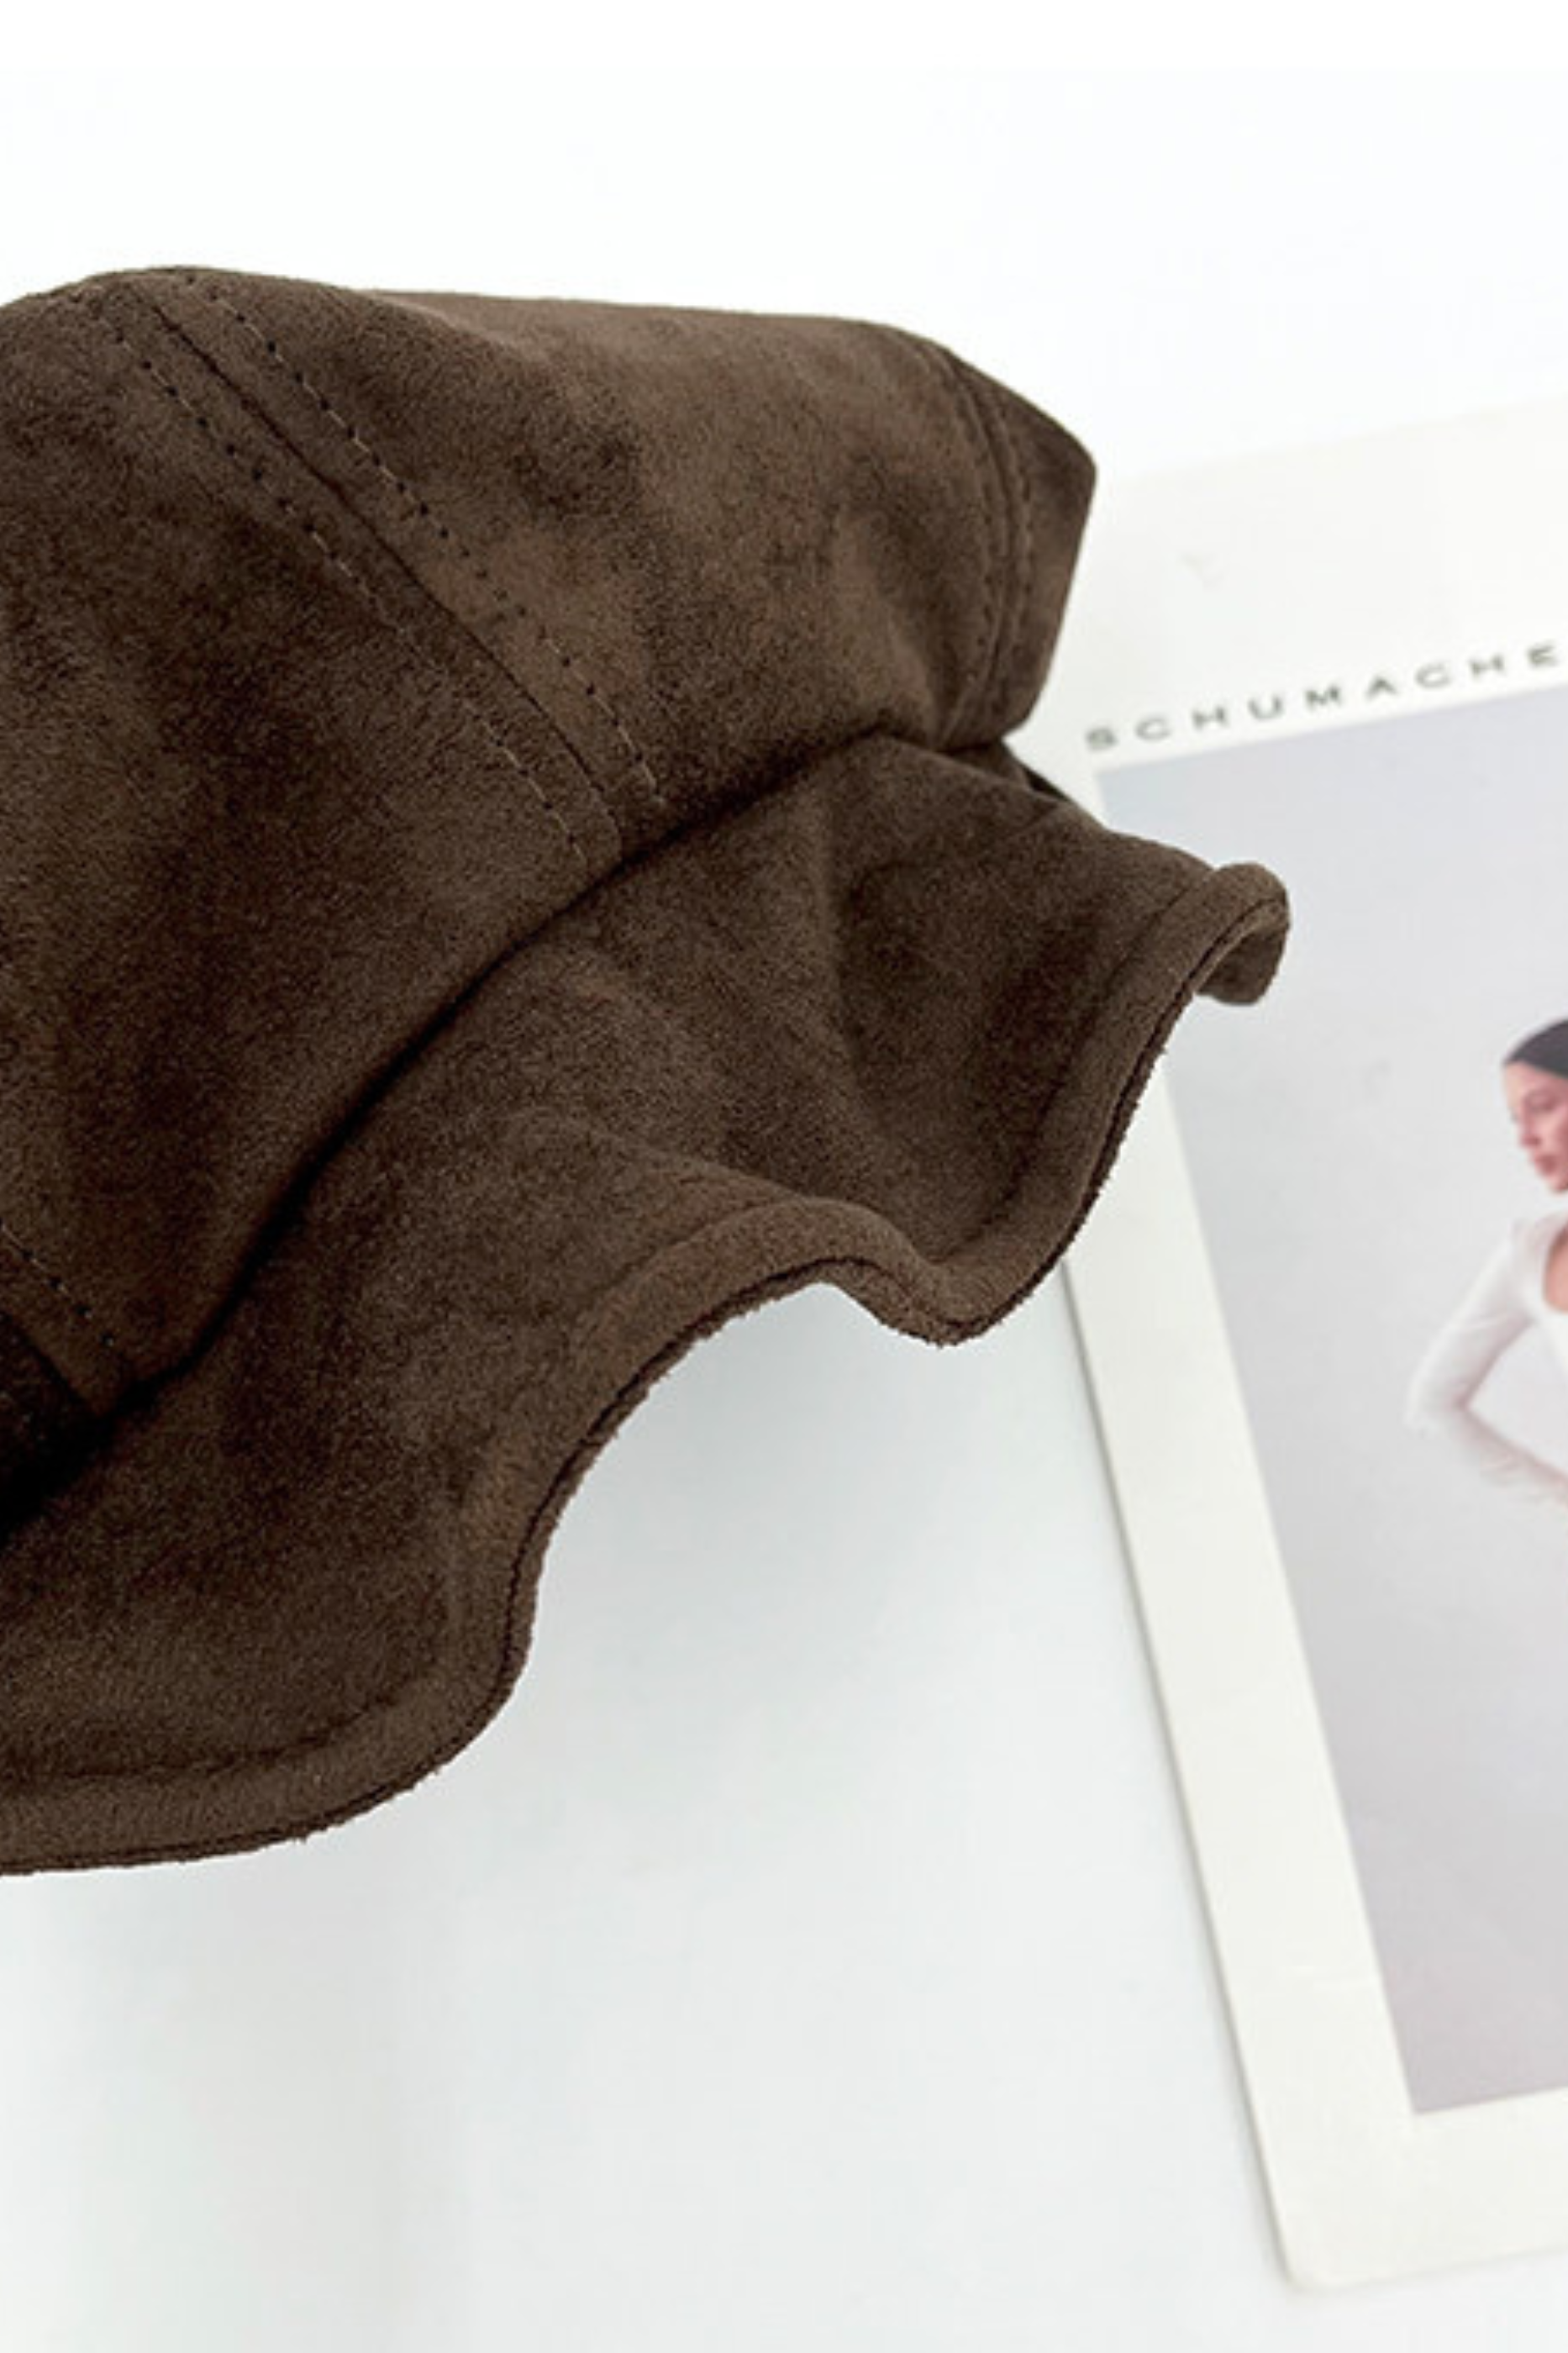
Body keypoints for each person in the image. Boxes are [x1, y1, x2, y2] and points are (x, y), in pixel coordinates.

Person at [1404, 1019, 1568, 1510]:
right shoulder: (1531, 1255)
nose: (1525, 1138)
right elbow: (1432, 1406)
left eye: (1541, 1108)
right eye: (1515, 1120)